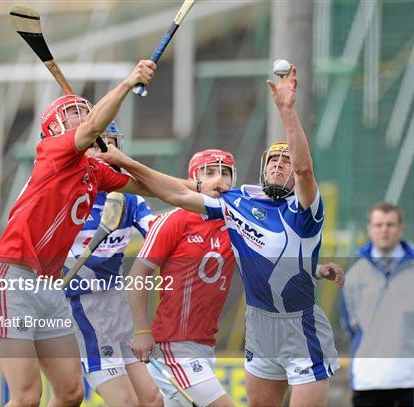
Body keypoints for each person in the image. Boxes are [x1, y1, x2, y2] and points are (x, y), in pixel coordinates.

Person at [96, 65, 343, 407]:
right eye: (273, 160)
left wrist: (287, 111)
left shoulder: (305, 208)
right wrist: (122, 161)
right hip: (249, 328)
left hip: (298, 329)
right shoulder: (234, 207)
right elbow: (176, 195)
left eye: (286, 162)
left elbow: (303, 172)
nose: (279, 165)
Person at [0, 60, 220, 407]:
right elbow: (94, 124)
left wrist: (198, 187)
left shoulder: (94, 172)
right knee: (27, 396)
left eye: (82, 110)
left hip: (49, 290)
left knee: (71, 393)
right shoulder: (51, 153)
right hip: (13, 280)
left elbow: (156, 188)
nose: (80, 116)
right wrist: (129, 82)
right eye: (72, 112)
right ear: (54, 130)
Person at [129, 149, 238, 407]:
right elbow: (136, 277)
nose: (219, 180)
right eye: (209, 172)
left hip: (204, 345)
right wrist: (142, 331)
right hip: (173, 346)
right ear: (192, 179)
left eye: (225, 173)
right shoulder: (173, 220)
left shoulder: (237, 224)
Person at [63, 123, 162, 406]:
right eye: (97, 144)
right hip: (83, 308)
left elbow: (157, 233)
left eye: (111, 144)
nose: (106, 152)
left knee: (153, 399)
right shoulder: (70, 195)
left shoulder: (130, 198)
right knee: (125, 402)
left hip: (118, 305)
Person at [340, 202, 414, 407]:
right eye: (378, 225)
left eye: (390, 224)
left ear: (401, 229)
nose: (384, 229)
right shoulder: (355, 276)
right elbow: (350, 324)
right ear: (369, 229)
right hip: (369, 379)